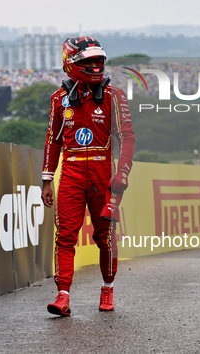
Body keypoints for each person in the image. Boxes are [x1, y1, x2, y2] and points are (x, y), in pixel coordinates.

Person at [41, 36, 135, 316]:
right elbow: (52, 139)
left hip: (103, 176)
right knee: (65, 236)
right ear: (70, 64)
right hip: (70, 174)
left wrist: (123, 174)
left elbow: (126, 137)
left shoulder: (114, 96)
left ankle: (107, 288)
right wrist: (47, 179)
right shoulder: (59, 99)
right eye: (87, 61)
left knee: (104, 237)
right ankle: (62, 296)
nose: (95, 66)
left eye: (99, 61)